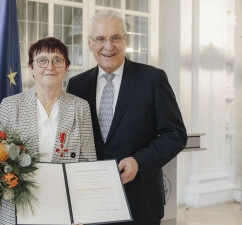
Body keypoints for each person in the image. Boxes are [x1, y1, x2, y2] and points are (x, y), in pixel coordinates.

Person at [66, 11, 187, 225]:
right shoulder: (77, 85)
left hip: (139, 203)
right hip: (90, 203)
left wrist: (139, 162)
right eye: (100, 39)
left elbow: (175, 134)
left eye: (115, 38)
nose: (108, 46)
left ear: (125, 40)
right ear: (90, 43)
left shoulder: (153, 79)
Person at [0, 37, 96, 225]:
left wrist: (81, 212)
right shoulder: (10, 105)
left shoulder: (80, 107)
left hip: (63, 210)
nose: (50, 66)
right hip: (15, 209)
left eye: (57, 60)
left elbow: (88, 164)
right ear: (31, 68)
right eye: (42, 60)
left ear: (67, 66)